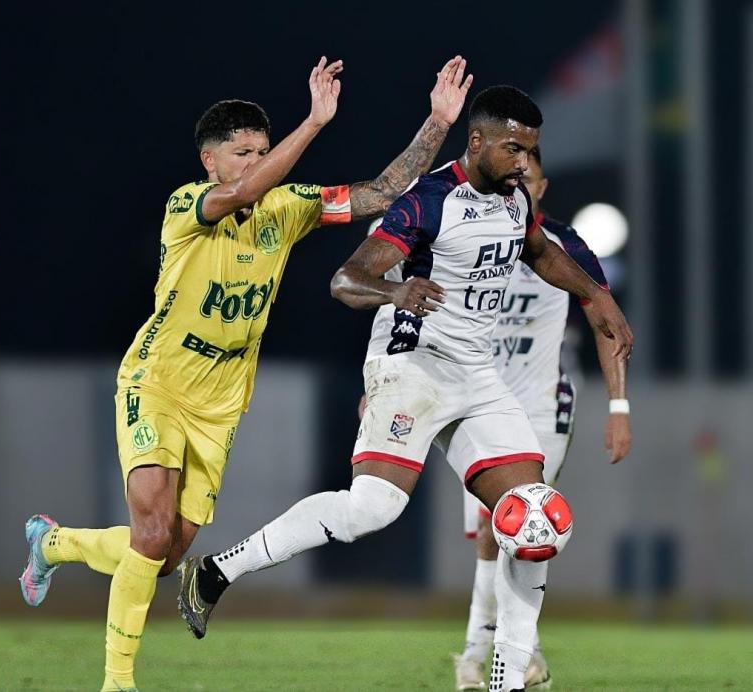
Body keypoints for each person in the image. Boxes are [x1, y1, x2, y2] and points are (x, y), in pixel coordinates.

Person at [18, 55, 474, 692]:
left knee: (169, 549)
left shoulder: (288, 208)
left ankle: (56, 545)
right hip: (160, 381)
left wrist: (437, 121)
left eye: (261, 149)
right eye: (242, 152)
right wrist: (313, 125)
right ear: (210, 160)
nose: (254, 161)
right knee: (151, 532)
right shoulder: (189, 204)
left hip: (223, 397)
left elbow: (381, 193)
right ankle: (117, 683)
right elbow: (240, 193)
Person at [178, 85, 633, 692]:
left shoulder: (515, 200)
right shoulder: (429, 201)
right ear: (477, 143)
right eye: (514, 148)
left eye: (531, 150)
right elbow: (348, 279)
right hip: (412, 365)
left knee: (534, 518)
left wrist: (595, 296)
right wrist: (396, 292)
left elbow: (538, 252)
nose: (524, 162)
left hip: (476, 374)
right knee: (373, 508)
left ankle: (501, 678)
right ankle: (214, 572)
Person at [452, 146, 633, 691]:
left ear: (543, 185)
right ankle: (520, 653)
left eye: (527, 173)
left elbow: (607, 321)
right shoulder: (465, 232)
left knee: (513, 522)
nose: (517, 178)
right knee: (498, 529)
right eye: (510, 170)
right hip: (477, 400)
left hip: (541, 405)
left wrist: (619, 408)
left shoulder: (563, 247)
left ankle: (477, 657)